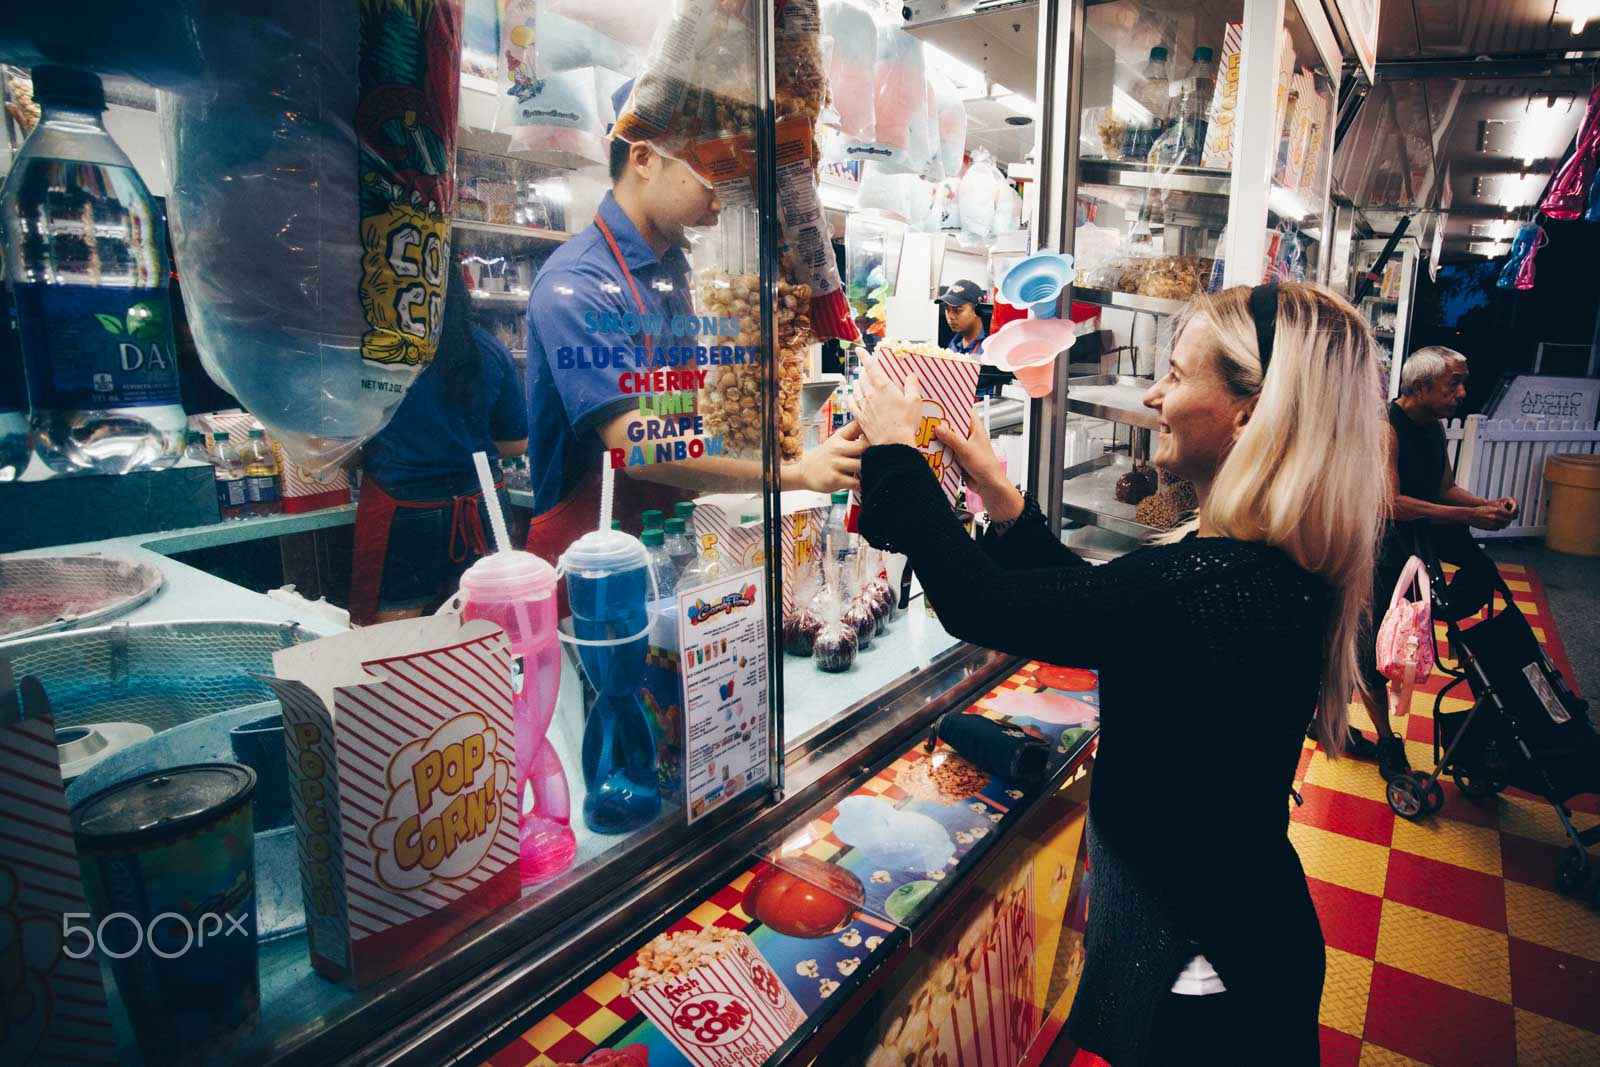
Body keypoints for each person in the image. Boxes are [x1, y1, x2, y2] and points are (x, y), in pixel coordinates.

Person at [850, 282, 1388, 1065]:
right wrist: (1000, 496)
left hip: (1205, 987)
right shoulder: (1260, 569)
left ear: (1249, 411)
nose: (1153, 393)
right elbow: (1104, 610)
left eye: (1175, 373)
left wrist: (898, 454)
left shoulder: (1213, 580)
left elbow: (984, 602)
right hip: (1243, 944)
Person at [523, 85, 863, 569]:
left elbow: (689, 404)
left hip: (674, 540)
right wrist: (793, 472)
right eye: (710, 177)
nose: (720, 203)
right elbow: (637, 444)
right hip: (591, 558)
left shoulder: (673, 273)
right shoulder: (579, 283)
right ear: (644, 158)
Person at [1355, 346, 1518, 779]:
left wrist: (1488, 505)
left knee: (1399, 640)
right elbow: (1391, 504)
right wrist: (1471, 516)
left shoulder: (1432, 428)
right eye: (1453, 384)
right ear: (1421, 387)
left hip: (1415, 550)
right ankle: (1387, 741)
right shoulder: (1385, 429)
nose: (1463, 392)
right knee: (1370, 646)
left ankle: (1329, 713)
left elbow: (1444, 488)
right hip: (1378, 551)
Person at [349, 270, 527, 624]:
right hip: (483, 504)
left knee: (396, 643)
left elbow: (338, 450)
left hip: (404, 508)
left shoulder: (375, 350)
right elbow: (515, 443)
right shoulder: (489, 349)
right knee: (487, 628)